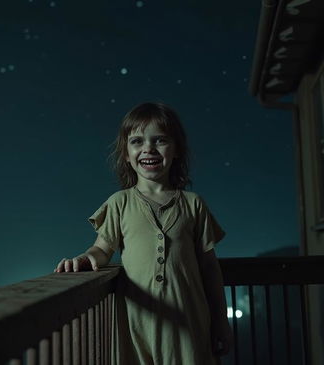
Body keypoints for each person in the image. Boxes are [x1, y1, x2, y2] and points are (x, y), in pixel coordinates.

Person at [55, 102, 232, 364]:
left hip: (189, 323)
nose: (148, 148)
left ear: (176, 150)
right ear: (126, 154)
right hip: (138, 323)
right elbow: (102, 248)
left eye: (159, 140)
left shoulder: (194, 204)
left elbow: (209, 267)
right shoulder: (119, 203)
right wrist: (85, 258)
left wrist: (221, 321)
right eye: (137, 141)